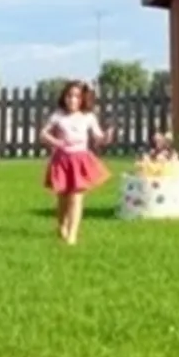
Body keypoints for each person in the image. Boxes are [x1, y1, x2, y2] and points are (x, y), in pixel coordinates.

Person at [39, 81, 112, 244]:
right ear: (64, 97)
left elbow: (98, 137)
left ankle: (72, 235)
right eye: (69, 96)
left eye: (77, 97)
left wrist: (106, 137)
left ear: (83, 99)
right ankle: (62, 226)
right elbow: (43, 133)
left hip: (80, 160)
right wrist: (55, 142)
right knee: (63, 198)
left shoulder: (88, 117)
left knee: (77, 197)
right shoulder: (58, 115)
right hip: (62, 161)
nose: (72, 100)